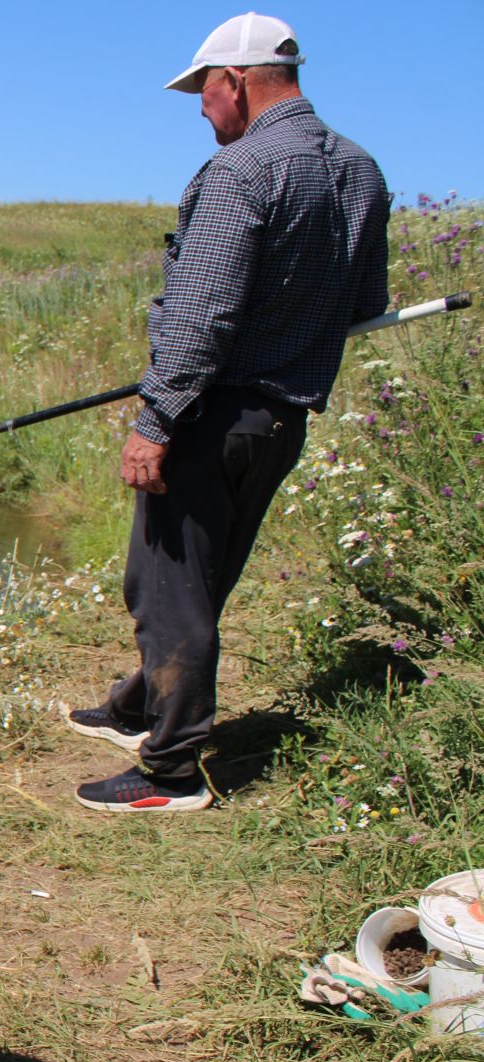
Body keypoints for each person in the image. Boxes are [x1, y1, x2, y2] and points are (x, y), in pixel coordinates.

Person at [70, 12, 389, 813]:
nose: (200, 107)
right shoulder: (360, 170)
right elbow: (368, 301)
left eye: (202, 90)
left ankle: (170, 771)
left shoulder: (244, 171)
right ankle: (139, 704)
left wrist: (157, 417)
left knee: (165, 584)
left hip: (212, 415)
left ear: (236, 82)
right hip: (281, 420)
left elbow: (202, 311)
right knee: (202, 577)